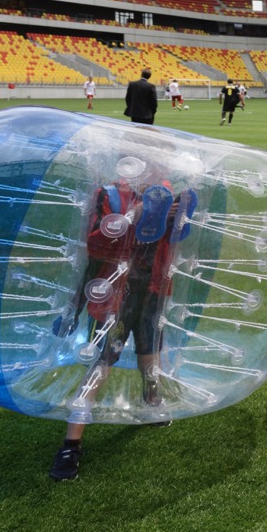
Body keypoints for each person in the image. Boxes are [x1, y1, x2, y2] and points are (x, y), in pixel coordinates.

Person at [49, 162, 190, 480]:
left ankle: (151, 399)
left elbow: (178, 247)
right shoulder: (109, 195)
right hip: (115, 293)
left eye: (162, 163)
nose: (158, 170)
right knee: (101, 362)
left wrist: (180, 216)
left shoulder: (172, 196)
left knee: (149, 354)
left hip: (152, 290)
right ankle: (71, 444)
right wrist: (135, 215)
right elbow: (95, 244)